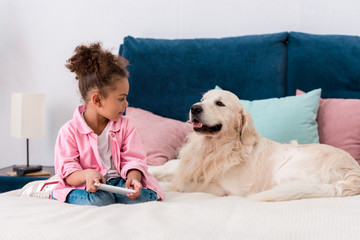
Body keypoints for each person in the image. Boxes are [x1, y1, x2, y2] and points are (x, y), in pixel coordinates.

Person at [52, 42, 164, 206]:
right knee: (101, 199)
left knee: (142, 197)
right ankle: (53, 193)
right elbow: (68, 172)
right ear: (97, 100)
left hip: (119, 183)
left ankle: (120, 195)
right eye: (121, 98)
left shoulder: (125, 126)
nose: (126, 104)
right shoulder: (69, 131)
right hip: (87, 186)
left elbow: (134, 160)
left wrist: (133, 179)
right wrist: (87, 174)